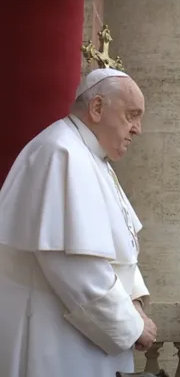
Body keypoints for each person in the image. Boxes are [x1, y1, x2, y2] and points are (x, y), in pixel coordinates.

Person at [0, 68, 157, 376]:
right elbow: (75, 267)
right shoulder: (61, 152)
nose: (137, 129)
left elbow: (122, 251)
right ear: (97, 108)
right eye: (131, 115)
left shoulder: (92, 156)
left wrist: (135, 303)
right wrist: (131, 325)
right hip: (56, 338)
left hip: (87, 335)